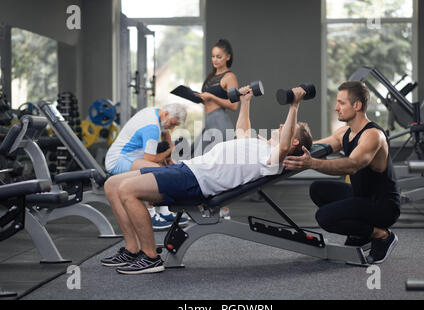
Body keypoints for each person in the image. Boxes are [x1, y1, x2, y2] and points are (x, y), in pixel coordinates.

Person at [101, 85, 312, 274]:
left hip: (195, 181)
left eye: (285, 127)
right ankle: (131, 249)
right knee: (112, 185)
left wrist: (294, 107)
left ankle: (150, 257)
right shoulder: (259, 145)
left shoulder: (272, 160)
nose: (280, 125)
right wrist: (245, 102)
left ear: (293, 140)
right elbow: (242, 131)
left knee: (127, 190)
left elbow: (284, 147)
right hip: (188, 169)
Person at [283, 81, 400, 264]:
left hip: (383, 205)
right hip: (361, 196)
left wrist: (311, 164)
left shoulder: (373, 136)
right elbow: (313, 147)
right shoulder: (345, 132)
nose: (336, 108)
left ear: (357, 105)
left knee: (324, 217)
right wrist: (280, 146)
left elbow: (352, 165)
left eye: (341, 103)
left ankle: (383, 236)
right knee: (318, 189)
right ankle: (360, 235)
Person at [104, 103, 188, 230]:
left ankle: (164, 212)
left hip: (132, 156)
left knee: (165, 167)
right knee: (154, 171)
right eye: (172, 124)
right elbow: (150, 159)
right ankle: (151, 215)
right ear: (166, 114)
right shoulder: (152, 127)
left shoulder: (157, 112)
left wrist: (170, 157)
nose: (172, 128)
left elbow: (165, 133)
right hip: (117, 160)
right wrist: (169, 152)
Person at [193, 39, 239, 220]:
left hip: (220, 122)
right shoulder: (212, 76)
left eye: (219, 57)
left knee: (220, 166)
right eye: (213, 56)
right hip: (209, 122)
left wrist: (211, 96)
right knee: (200, 162)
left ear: (227, 57)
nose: (215, 60)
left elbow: (234, 105)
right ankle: (205, 206)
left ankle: (224, 209)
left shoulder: (230, 77)